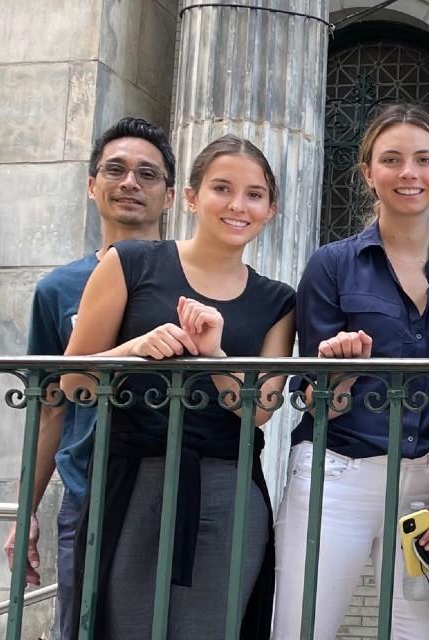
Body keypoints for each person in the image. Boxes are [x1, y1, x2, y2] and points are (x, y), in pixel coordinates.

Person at [62, 135, 296, 639]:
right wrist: (135, 349)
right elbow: (74, 380)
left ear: (270, 210)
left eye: (255, 194)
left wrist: (212, 357)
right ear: (190, 197)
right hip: (133, 481)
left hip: (230, 489)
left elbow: (260, 411)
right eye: (222, 188)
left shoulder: (278, 300)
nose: (238, 205)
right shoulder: (129, 262)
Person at [278, 103, 429, 640]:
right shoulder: (331, 265)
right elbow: (313, 399)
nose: (409, 174)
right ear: (367, 173)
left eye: (424, 159)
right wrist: (341, 373)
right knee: (300, 630)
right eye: (392, 159)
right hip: (338, 476)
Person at [6, 116, 175, 640]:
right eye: (116, 170)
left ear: (170, 196)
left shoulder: (196, 276)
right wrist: (24, 513)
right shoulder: (59, 289)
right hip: (89, 490)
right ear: (91, 185)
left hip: (178, 487)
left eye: (147, 174)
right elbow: (52, 406)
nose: (130, 183)